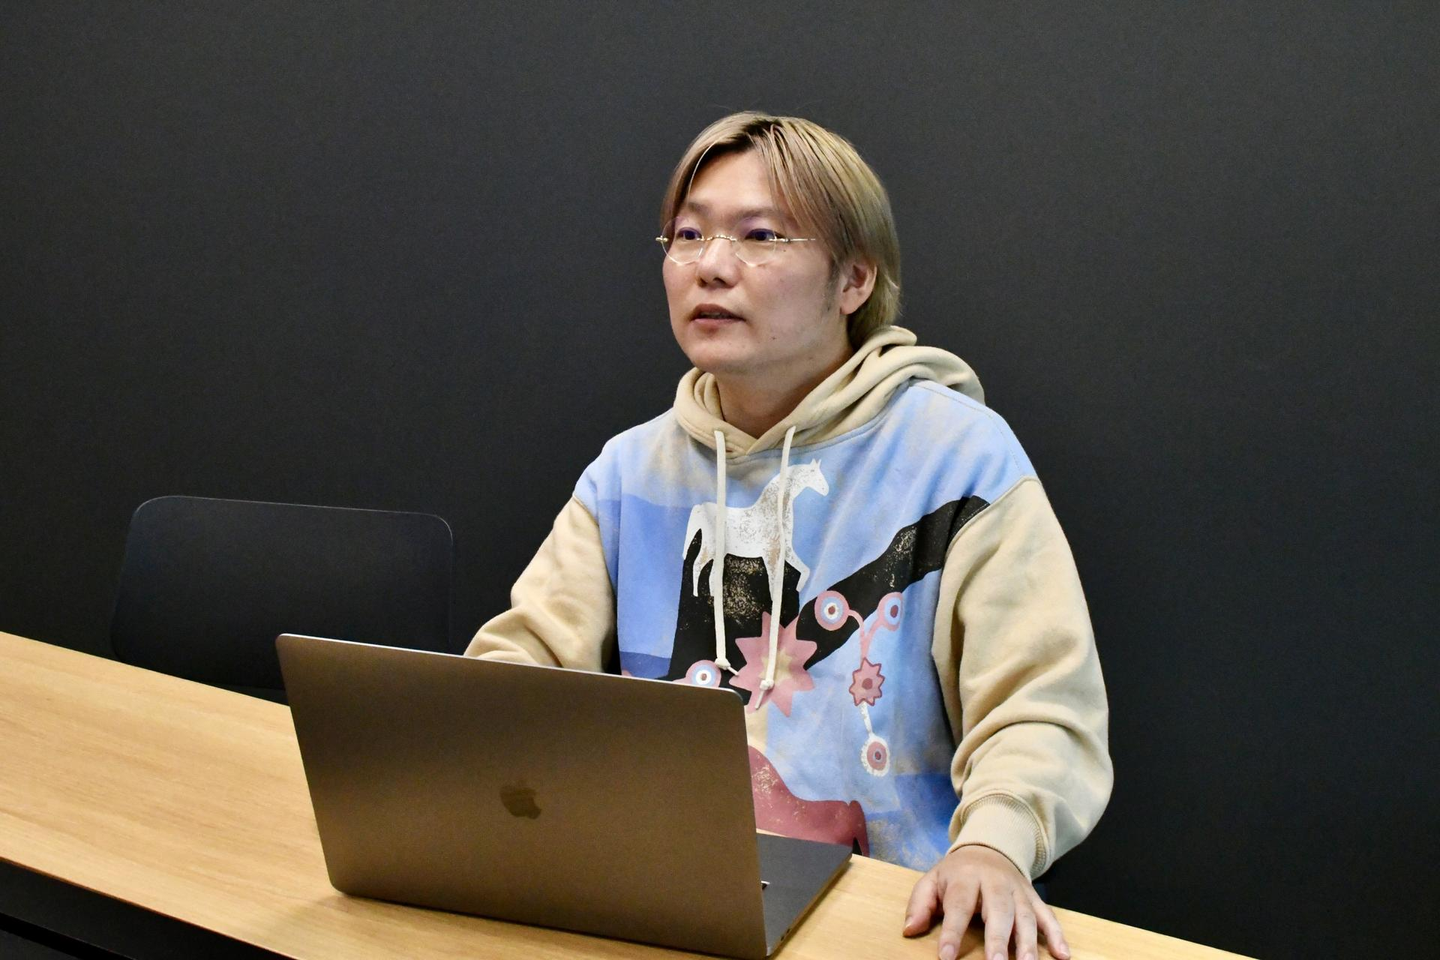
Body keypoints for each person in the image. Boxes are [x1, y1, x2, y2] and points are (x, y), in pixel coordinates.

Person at [467, 111, 1111, 960]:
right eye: (687, 235)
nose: (711, 266)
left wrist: (994, 846)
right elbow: (516, 671)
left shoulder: (959, 458)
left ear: (854, 280)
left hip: (897, 920)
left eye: (760, 235)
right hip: (669, 906)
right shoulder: (629, 472)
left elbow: (1042, 708)